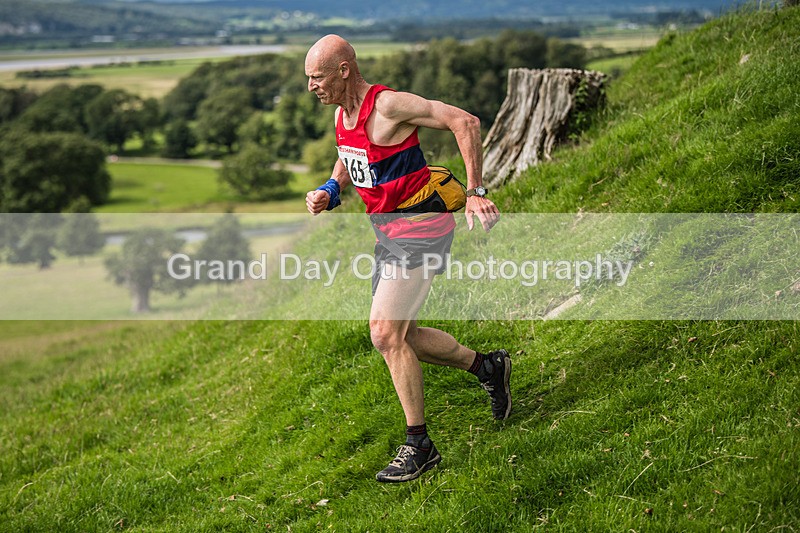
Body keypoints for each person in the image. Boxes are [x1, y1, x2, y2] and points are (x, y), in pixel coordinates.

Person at [304, 34, 512, 483]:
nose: (311, 87)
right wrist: (332, 188)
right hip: (389, 236)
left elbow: (465, 121)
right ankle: (488, 366)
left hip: (422, 230)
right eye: (307, 79)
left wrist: (475, 193)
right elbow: (349, 153)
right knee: (405, 336)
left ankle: (420, 445)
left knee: (384, 334)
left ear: (343, 70)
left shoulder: (389, 106)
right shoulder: (343, 114)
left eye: (317, 77)